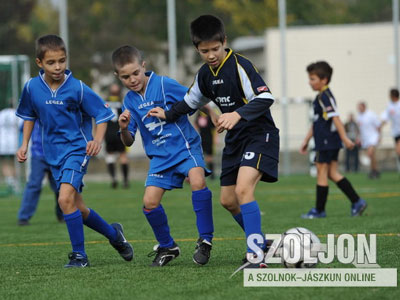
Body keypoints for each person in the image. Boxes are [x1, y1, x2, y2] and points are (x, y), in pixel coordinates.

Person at [148, 15, 279, 269]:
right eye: (204, 51)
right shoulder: (204, 75)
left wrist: (236, 114)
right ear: (197, 49)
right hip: (235, 140)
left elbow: (266, 98)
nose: (210, 55)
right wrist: (167, 113)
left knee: (243, 191)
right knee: (228, 200)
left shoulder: (241, 66)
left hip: (259, 135)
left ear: (224, 42)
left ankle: (256, 256)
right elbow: (189, 102)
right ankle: (261, 243)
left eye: (215, 49)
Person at [16, 35, 133, 268]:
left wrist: (96, 140)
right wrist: (24, 143)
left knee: (64, 199)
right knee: (77, 207)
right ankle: (114, 235)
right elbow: (29, 116)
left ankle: (79, 256)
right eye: (51, 62)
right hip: (52, 154)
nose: (58, 66)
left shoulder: (77, 87)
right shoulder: (31, 87)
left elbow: (101, 115)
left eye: (62, 60)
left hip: (77, 150)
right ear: (39, 62)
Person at [112, 45, 214, 267]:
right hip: (160, 158)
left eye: (135, 73)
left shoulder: (163, 84)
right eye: (125, 77)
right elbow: (129, 140)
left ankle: (205, 240)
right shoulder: (129, 101)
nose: (132, 79)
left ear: (144, 66)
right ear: (118, 76)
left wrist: (214, 116)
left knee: (197, 180)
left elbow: (194, 98)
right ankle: (167, 246)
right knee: (149, 203)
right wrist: (122, 127)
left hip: (185, 147)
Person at [300, 61, 367, 219]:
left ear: (324, 80)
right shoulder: (321, 96)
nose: (310, 82)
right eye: (309, 79)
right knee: (332, 173)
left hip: (326, 141)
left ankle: (319, 210)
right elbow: (317, 123)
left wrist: (345, 138)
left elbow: (335, 118)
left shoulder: (325, 96)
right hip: (328, 141)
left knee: (322, 172)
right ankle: (357, 202)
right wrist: (306, 140)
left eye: (313, 79)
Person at [17, 120, 63, 226]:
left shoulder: (55, 111)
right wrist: (22, 145)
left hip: (57, 155)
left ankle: (63, 214)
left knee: (60, 186)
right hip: (38, 155)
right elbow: (23, 129)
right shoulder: (32, 113)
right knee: (34, 185)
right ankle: (23, 217)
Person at [104, 83, 130, 189]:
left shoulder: (105, 103)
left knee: (110, 156)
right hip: (120, 133)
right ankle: (125, 180)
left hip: (108, 134)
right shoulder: (123, 103)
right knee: (123, 156)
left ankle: (114, 178)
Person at [356, 102, 381, 179]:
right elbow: (359, 129)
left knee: (370, 153)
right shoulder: (359, 117)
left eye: (360, 107)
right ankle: (374, 171)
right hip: (365, 139)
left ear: (364, 107)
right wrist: (358, 138)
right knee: (372, 156)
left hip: (373, 137)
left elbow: (378, 125)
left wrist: (379, 136)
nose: (358, 109)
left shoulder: (371, 115)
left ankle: (374, 171)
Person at [380, 88, 400, 175]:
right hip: (395, 132)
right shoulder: (390, 105)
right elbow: (386, 117)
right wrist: (380, 126)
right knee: (398, 152)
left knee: (398, 150)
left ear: (393, 96)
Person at [194, 108, 216, 179]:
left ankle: (212, 174)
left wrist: (215, 138)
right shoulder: (199, 114)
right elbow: (195, 124)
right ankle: (199, 174)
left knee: (209, 157)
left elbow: (214, 128)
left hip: (209, 138)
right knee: (200, 156)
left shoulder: (210, 115)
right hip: (201, 138)